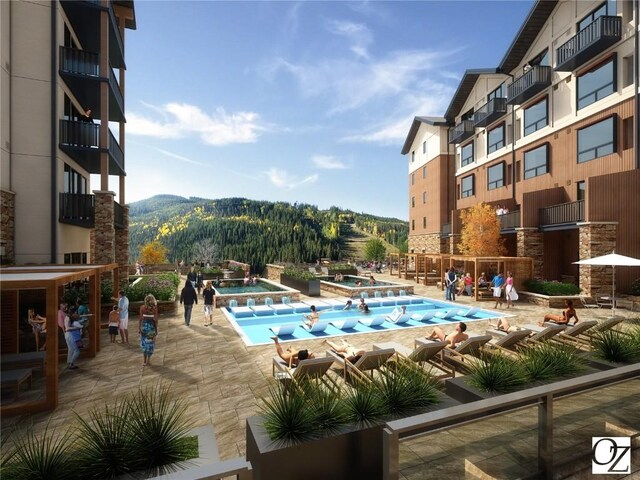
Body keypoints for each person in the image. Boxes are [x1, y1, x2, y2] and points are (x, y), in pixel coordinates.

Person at [139, 294, 158, 367]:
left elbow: (140, 319)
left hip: (144, 328)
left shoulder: (142, 307)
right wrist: (156, 330)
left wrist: (139, 328)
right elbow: (156, 320)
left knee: (144, 344)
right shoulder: (154, 308)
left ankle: (144, 361)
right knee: (150, 345)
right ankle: (148, 361)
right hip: (151, 329)